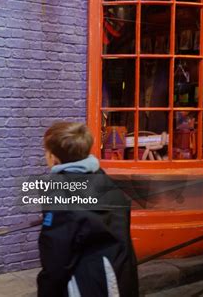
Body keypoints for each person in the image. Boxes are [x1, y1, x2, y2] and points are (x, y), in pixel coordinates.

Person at [37, 122, 138, 297]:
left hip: (87, 282)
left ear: (53, 157)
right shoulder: (101, 177)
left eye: (45, 152)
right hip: (118, 273)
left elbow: (56, 257)